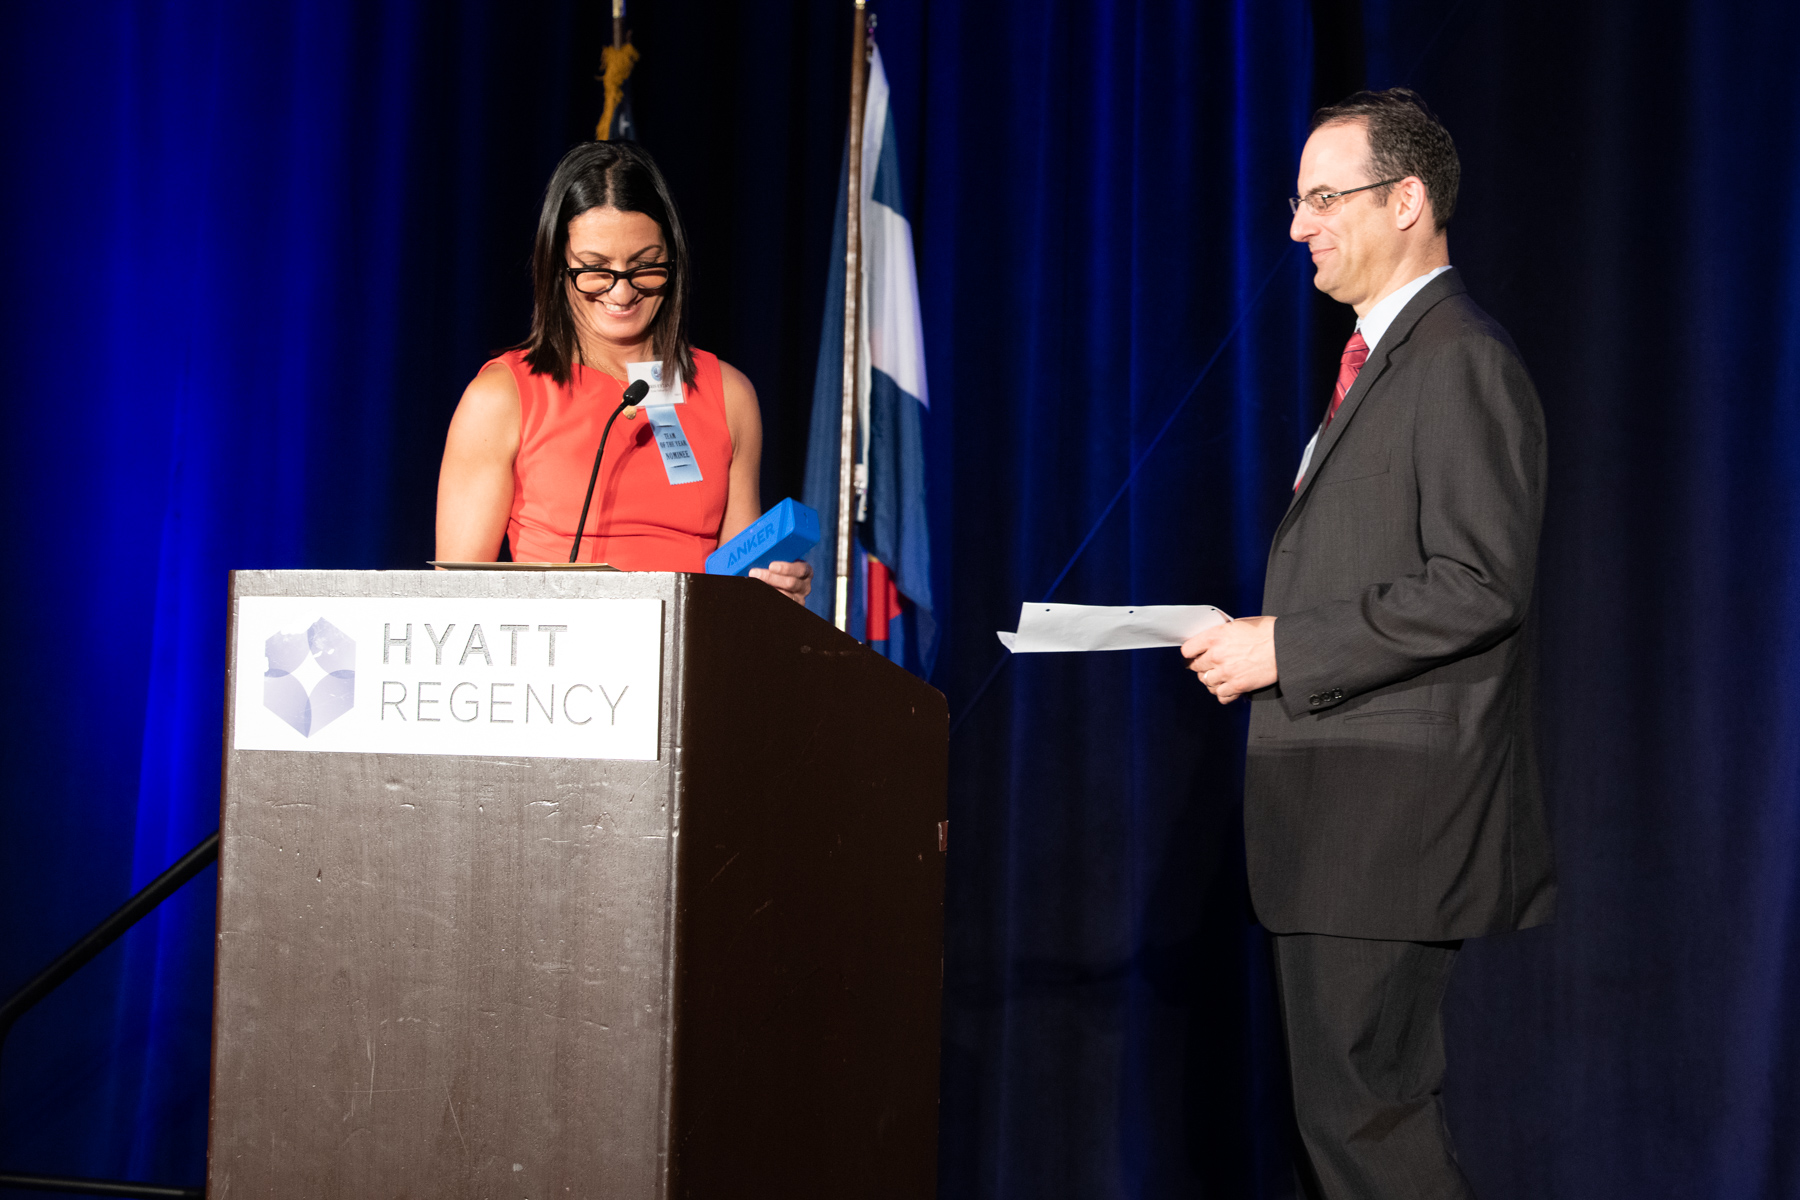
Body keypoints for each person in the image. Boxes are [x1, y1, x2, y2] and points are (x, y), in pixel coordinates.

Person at [1181, 90, 1555, 1198]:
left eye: (1324, 198)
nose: (1299, 224)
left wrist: (1284, 648)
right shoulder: (1382, 365)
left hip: (1388, 823)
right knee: (1339, 1134)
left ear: (1408, 201)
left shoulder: (1459, 361)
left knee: (1366, 1129)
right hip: (1342, 820)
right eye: (1296, 201)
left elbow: (1481, 584)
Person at [436, 140, 812, 602]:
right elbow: (452, 601)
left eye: (644, 266)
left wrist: (774, 596)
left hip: (690, 664)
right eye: (596, 270)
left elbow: (738, 599)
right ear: (558, 266)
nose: (622, 291)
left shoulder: (729, 394)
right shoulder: (501, 396)